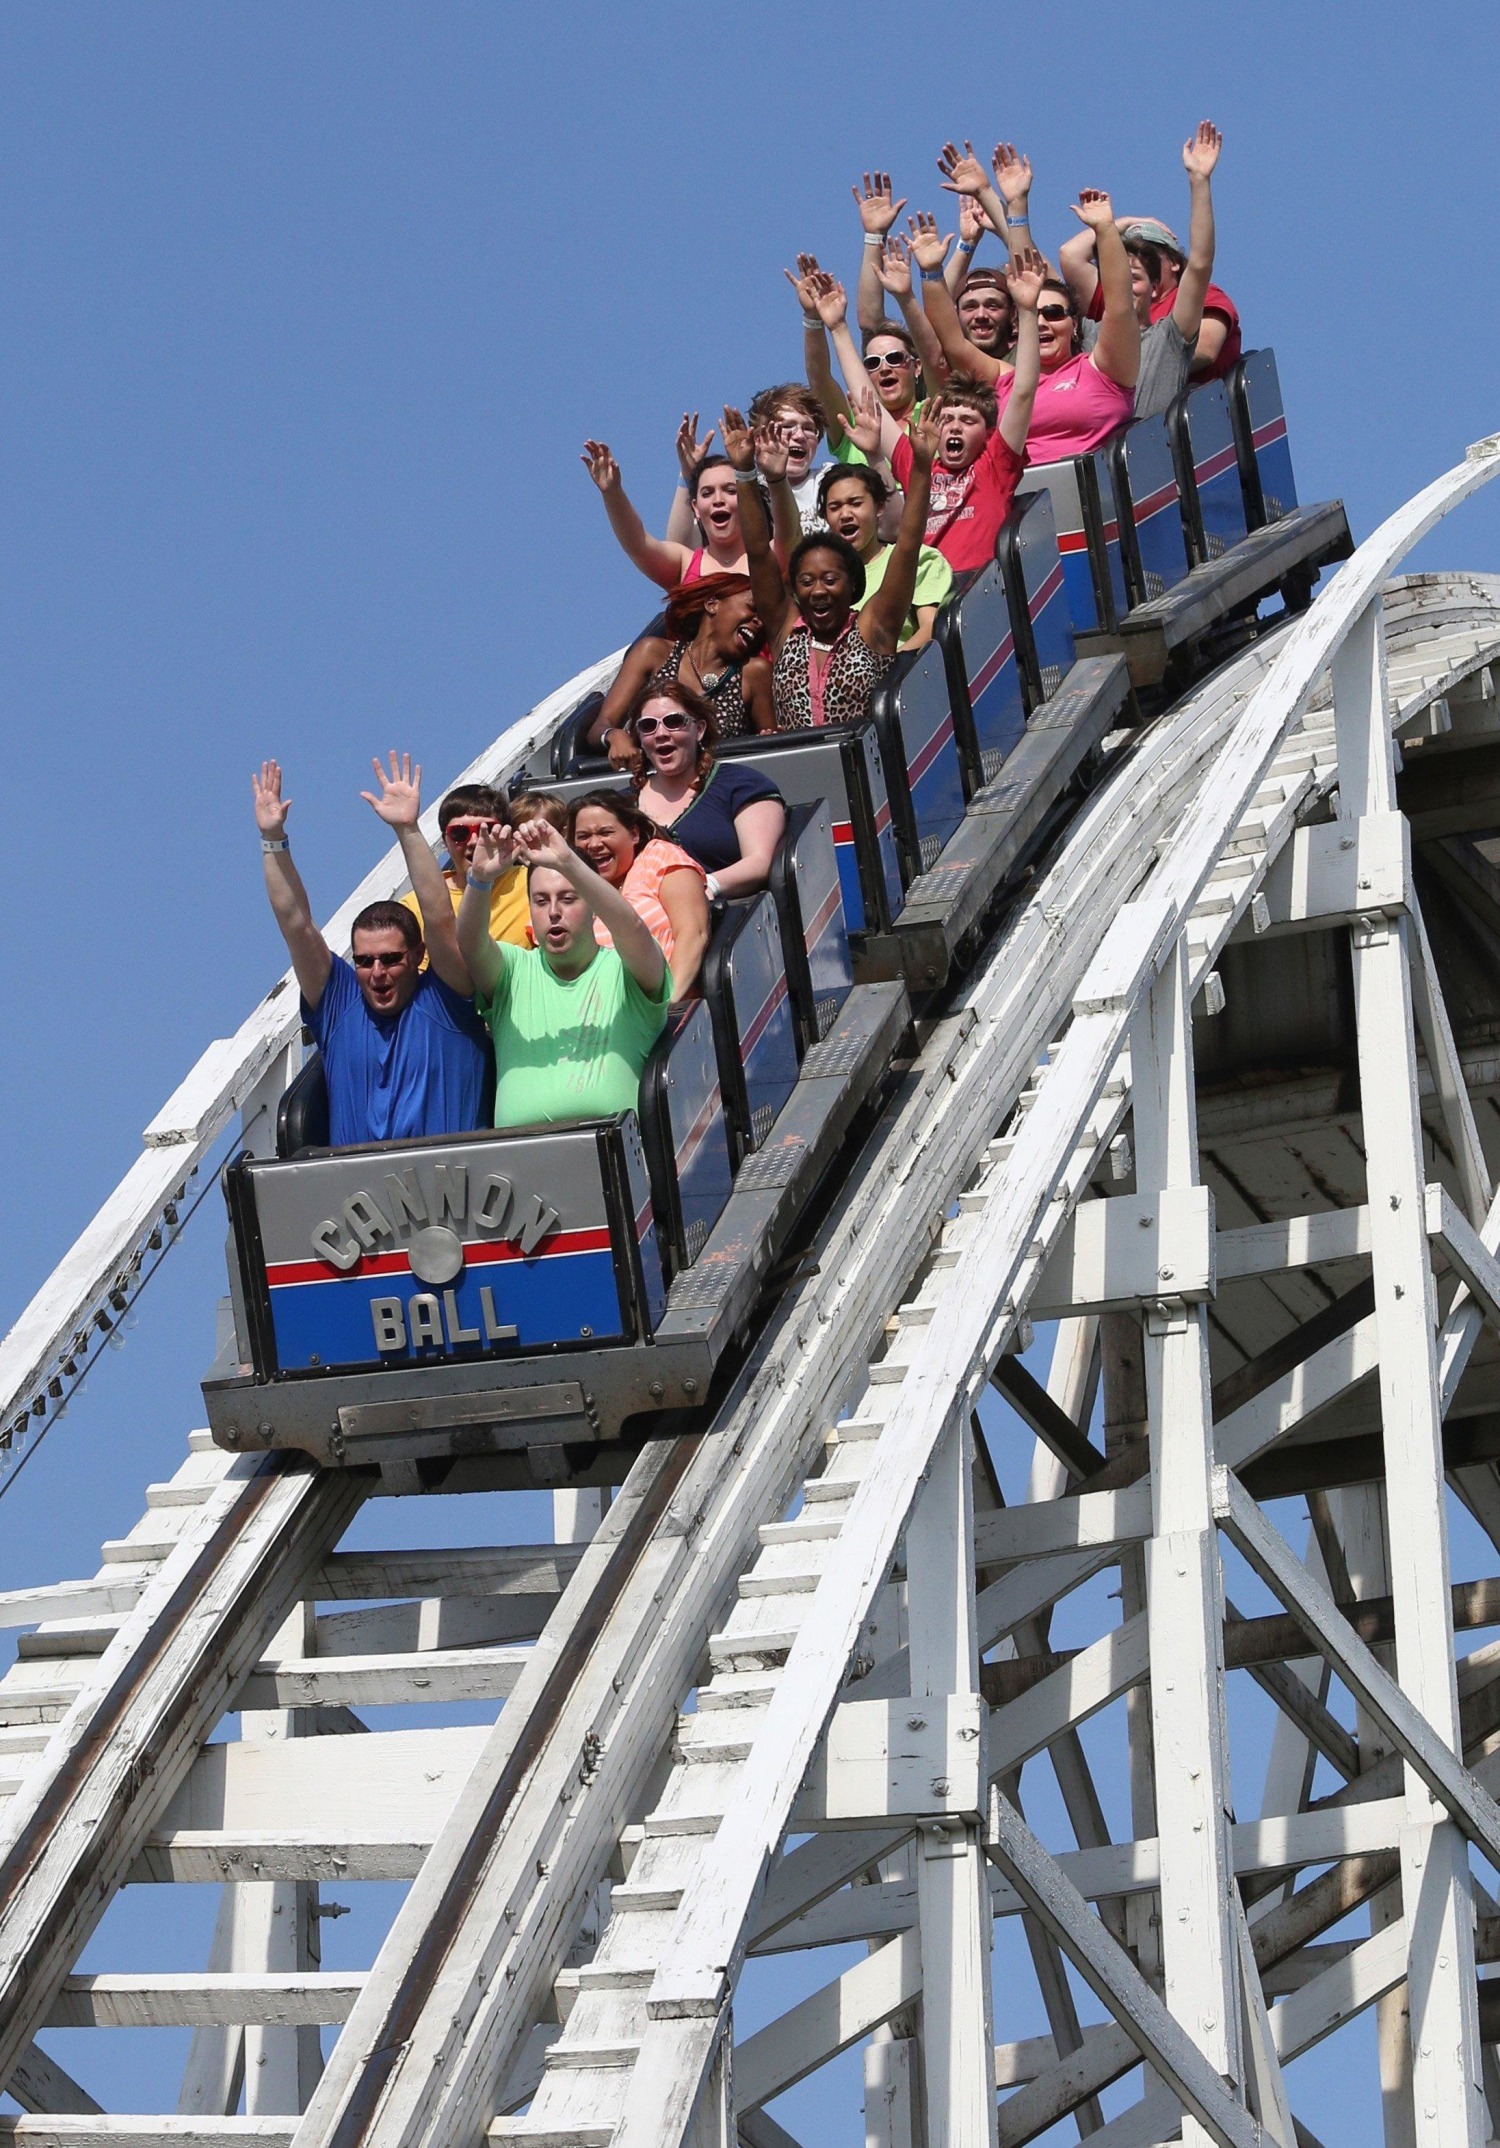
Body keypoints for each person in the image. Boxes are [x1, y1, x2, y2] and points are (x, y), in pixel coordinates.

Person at [251, 755, 490, 1148]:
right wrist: (273, 841)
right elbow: (295, 923)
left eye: (390, 959)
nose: (376, 972)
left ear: (416, 956)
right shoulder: (339, 1003)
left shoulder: (446, 995)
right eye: (363, 961)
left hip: (455, 1197)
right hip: (359, 1202)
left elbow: (440, 918)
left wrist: (408, 829)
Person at [726, 397, 941, 731]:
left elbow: (909, 544)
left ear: (852, 585)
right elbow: (757, 551)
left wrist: (922, 467)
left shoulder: (874, 627)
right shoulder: (786, 629)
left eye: (830, 579)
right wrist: (745, 472)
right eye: (807, 582)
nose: (819, 591)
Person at [458, 815, 673, 1132]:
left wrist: (569, 863)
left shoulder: (627, 969)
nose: (554, 912)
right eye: (541, 901)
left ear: (594, 906)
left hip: (614, 1155)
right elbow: (470, 943)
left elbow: (634, 929)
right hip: (521, 1161)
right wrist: (478, 879)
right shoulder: (513, 970)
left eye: (568, 898)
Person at [915, 198, 1137, 462]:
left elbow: (1121, 305)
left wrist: (1106, 231)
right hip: (1022, 498)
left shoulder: (1103, 369)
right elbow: (951, 341)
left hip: (1097, 494)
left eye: (1054, 313)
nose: (1041, 322)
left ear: (1074, 324)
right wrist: (930, 272)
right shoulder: (1005, 378)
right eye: (1032, 315)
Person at [1070, 125, 1226, 418]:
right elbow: (1060, 264)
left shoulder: (1167, 339)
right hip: (1098, 455)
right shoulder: (1089, 334)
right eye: (1118, 279)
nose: (1125, 286)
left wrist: (1199, 181)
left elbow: (1201, 263)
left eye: (1135, 279)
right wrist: (1107, 228)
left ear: (1154, 288)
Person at [588, 573, 773, 764]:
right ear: (712, 604)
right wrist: (614, 736)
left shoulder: (754, 673)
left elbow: (771, 749)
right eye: (752, 608)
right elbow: (600, 726)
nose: (759, 621)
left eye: (764, 617)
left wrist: (768, 737)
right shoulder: (653, 653)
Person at [626, 676, 785, 896]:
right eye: (648, 726)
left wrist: (708, 885)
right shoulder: (622, 806)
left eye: (674, 721)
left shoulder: (742, 785)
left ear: (699, 729)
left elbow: (760, 861)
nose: (661, 733)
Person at [581, 435, 797, 591]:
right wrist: (612, 492)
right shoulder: (684, 562)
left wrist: (776, 479)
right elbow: (638, 544)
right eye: (707, 493)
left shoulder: (771, 555)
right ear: (695, 508)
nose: (718, 500)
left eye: (730, 491)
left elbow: (789, 534)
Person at [817, 426, 953, 649]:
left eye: (855, 503)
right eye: (835, 507)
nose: (845, 514)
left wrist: (885, 675)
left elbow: (931, 629)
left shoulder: (922, 560)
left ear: (879, 508)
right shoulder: (819, 577)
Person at [568, 790, 711, 1001]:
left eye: (605, 832)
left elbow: (693, 934)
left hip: (666, 1008)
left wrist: (667, 1003)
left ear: (633, 834)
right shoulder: (568, 885)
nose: (594, 844)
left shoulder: (659, 856)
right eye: (584, 836)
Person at [399, 782, 530, 960]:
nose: (475, 841)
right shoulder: (415, 906)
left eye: (488, 831)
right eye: (459, 834)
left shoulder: (532, 883)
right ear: (445, 843)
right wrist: (406, 828)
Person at [748, 383, 830, 534]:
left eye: (808, 428)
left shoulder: (829, 480)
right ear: (759, 439)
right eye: (787, 426)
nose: (799, 436)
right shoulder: (749, 491)